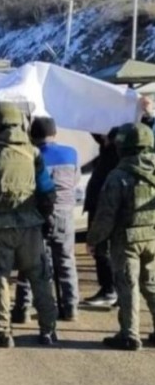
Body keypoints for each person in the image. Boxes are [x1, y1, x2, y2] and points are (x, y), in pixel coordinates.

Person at [0, 102, 59, 348]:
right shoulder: (33, 154)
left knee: (0, 281)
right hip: (31, 227)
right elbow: (48, 192)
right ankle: (48, 330)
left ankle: (2, 332)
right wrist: (42, 217)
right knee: (40, 278)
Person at [87, 123, 155, 351]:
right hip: (152, 236)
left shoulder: (117, 176)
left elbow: (105, 215)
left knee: (127, 286)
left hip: (126, 241)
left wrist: (94, 240)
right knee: (150, 284)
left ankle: (129, 334)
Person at [13, 117, 81, 322]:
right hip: (65, 213)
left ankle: (23, 309)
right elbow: (75, 180)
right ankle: (70, 307)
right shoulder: (71, 153)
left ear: (32, 136)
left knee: (30, 263)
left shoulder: (28, 155)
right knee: (66, 260)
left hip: (37, 215)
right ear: (54, 133)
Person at [82, 128, 120, 307]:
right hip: (99, 206)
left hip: (103, 208)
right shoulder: (107, 151)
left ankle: (110, 289)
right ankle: (110, 289)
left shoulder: (116, 156)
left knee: (102, 250)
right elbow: (95, 128)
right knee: (101, 251)